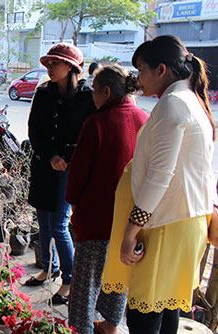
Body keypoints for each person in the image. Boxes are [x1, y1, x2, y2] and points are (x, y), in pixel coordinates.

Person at [101, 35, 216, 334]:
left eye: (141, 70)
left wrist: (131, 231)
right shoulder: (192, 101)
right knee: (165, 310)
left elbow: (159, 176)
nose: (139, 79)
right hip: (181, 221)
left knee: (145, 315)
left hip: (166, 223)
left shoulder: (173, 105)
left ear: (161, 69)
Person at [66, 65, 148, 334]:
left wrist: (73, 202)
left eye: (94, 91)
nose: (92, 97)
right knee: (118, 276)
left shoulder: (97, 123)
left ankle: (82, 328)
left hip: (97, 217)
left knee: (85, 283)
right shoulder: (144, 119)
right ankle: (111, 326)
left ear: (106, 91)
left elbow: (78, 174)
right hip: (130, 221)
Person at [24, 43, 97, 305]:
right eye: (48, 64)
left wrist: (67, 158)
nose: (49, 68)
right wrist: (51, 154)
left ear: (71, 66)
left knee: (59, 223)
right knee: (42, 218)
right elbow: (34, 130)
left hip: (71, 167)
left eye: (55, 63)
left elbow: (91, 136)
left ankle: (69, 279)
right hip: (45, 162)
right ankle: (47, 268)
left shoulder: (88, 97)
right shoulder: (43, 93)